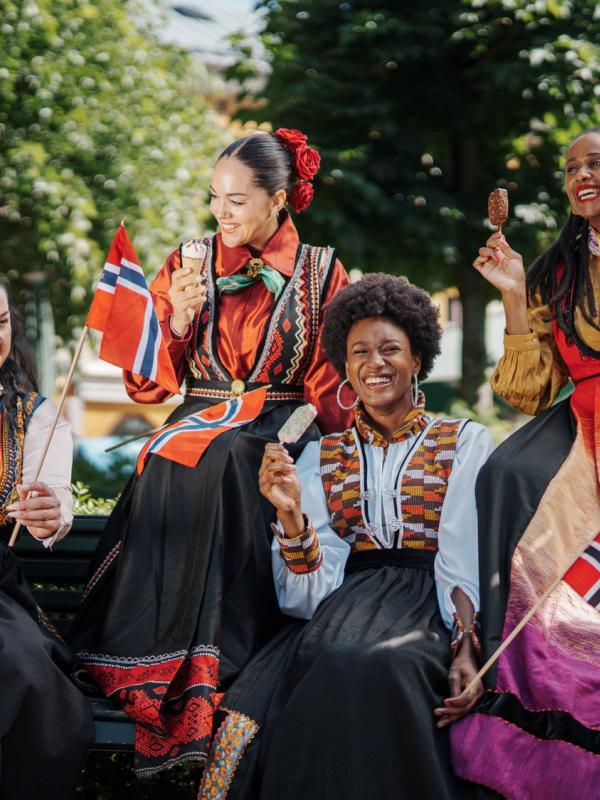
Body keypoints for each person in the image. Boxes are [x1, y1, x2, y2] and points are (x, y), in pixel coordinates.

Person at [69, 128, 351, 777]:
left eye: (236, 202)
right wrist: (175, 321)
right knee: (183, 452)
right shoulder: (190, 261)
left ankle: (228, 658)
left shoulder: (320, 270)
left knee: (232, 459)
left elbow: (332, 380)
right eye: (214, 200)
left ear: (279, 200)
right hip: (200, 410)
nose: (221, 215)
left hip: (283, 418)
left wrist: (309, 418)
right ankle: (160, 660)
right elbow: (149, 381)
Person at [197, 273, 495, 800]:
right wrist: (291, 517)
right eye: (360, 352)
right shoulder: (321, 454)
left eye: (390, 349)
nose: (375, 363)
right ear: (345, 366)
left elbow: (462, 553)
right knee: (335, 660)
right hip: (342, 605)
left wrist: (466, 646)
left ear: (418, 358)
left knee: (388, 662)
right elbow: (306, 596)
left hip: (429, 603)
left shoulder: (464, 440)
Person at [451, 128, 600, 799]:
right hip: (581, 422)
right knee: (506, 472)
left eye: (595, 163)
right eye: (572, 168)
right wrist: (514, 292)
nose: (581, 176)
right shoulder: (556, 270)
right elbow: (527, 390)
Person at [0, 285, 93, 799]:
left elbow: (53, 499)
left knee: (21, 666)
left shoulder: (36, 417)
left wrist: (48, 513)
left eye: (1, 321)